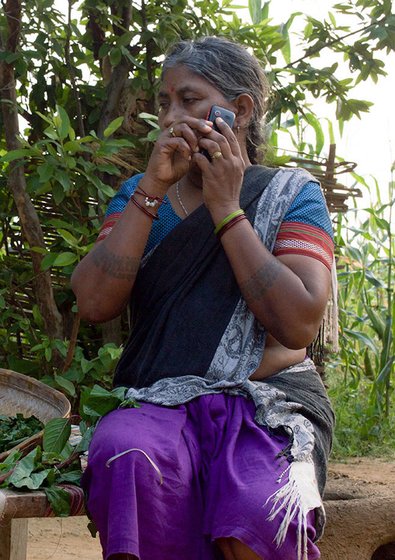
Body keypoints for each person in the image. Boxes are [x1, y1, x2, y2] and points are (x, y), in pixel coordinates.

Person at [71, 36, 335, 560]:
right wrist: (150, 186)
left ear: (239, 110)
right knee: (129, 458)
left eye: (189, 100)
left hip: (269, 404)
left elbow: (299, 323)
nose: (171, 117)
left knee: (261, 514)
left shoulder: (290, 194)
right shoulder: (141, 199)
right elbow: (95, 304)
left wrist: (226, 208)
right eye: (165, 103)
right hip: (157, 401)